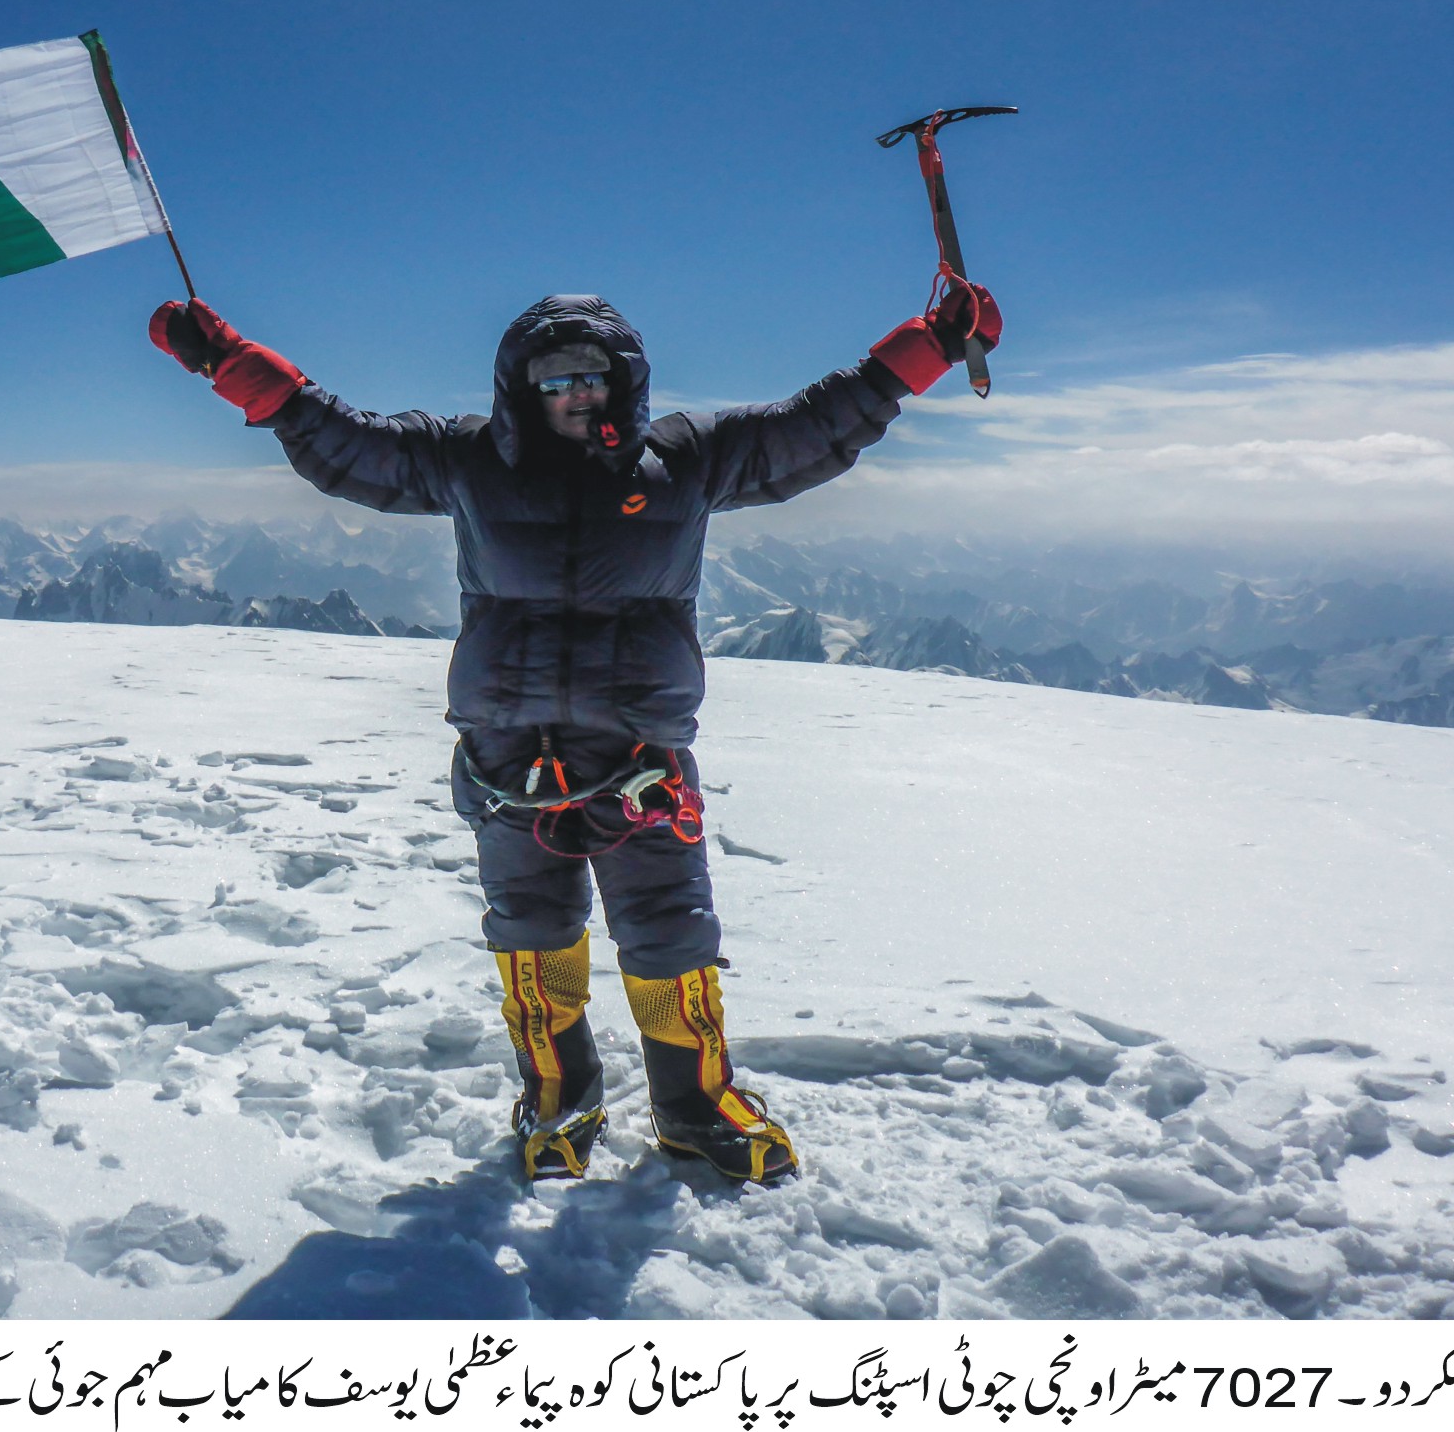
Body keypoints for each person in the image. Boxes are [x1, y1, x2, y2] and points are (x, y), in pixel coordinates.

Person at [148, 279, 1001, 1182]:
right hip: (510, 759)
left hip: (638, 758)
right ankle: (559, 1096)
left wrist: (928, 345)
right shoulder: (468, 459)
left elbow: (815, 427)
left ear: (624, 381)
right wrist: (230, 362)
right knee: (533, 932)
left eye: (591, 376)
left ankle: (696, 1106)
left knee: (671, 934)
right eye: (554, 380)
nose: (575, 394)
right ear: (522, 389)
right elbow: (344, 443)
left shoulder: (687, 459)